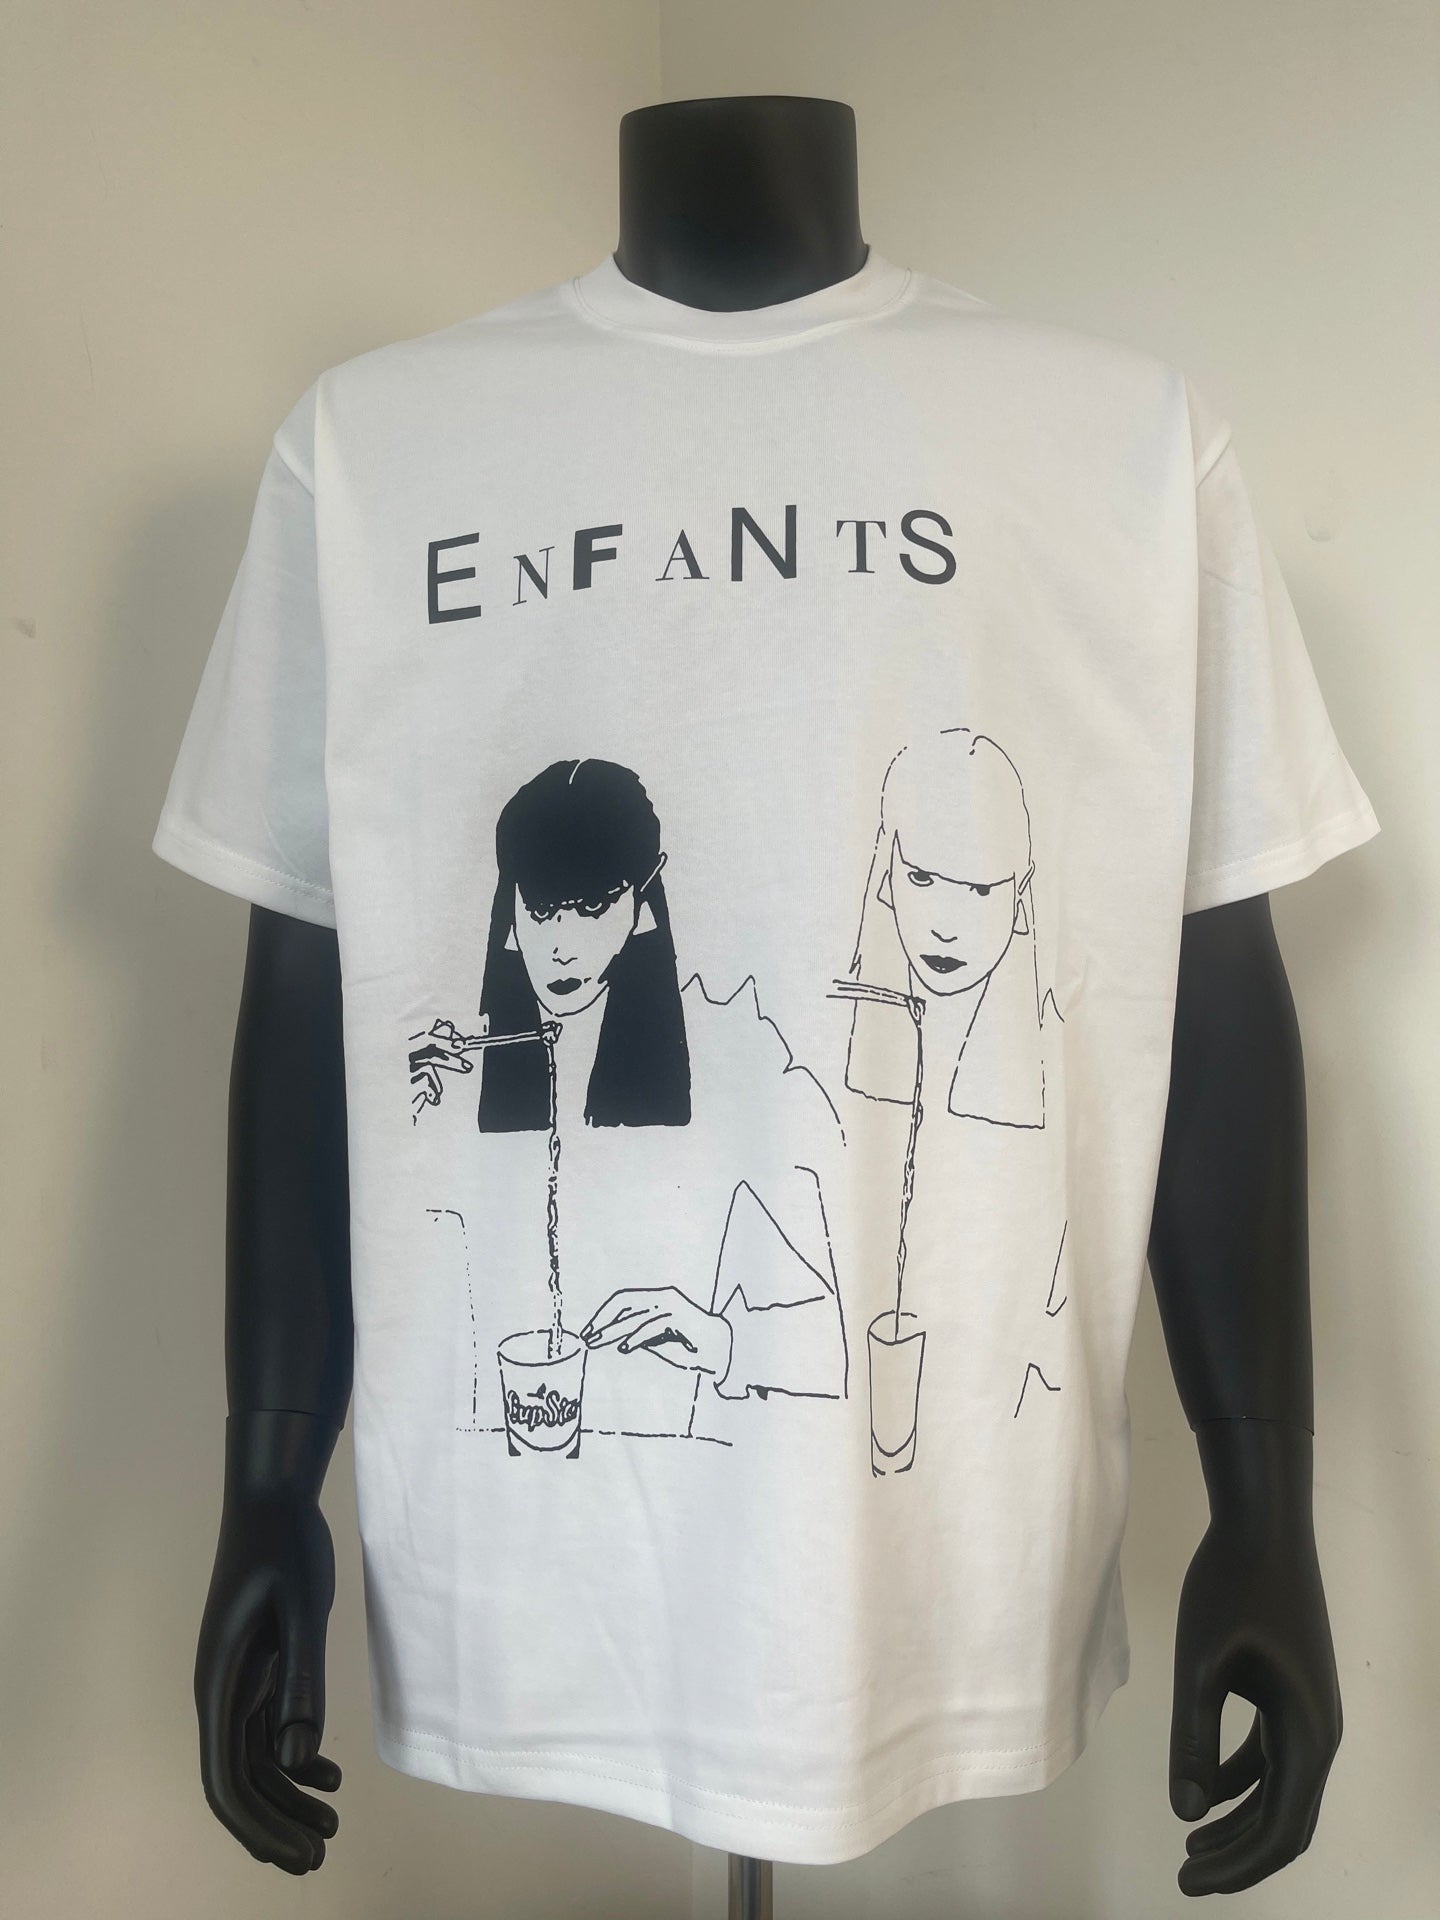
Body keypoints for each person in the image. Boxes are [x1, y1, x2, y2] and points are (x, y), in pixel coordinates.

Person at [409, 757, 848, 1443]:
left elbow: (833, 1340)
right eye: (541, 911)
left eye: (592, 909)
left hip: (684, 1480)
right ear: (510, 909)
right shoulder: (454, 1068)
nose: (560, 947)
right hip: (477, 1482)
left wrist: (719, 1340)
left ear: (642, 902)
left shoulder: (734, 1044)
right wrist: (403, 1123)